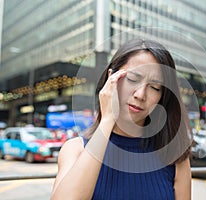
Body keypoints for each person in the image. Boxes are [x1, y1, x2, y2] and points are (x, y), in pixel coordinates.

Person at [51, 39, 192, 200]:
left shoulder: (174, 155)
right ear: (111, 78)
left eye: (155, 87)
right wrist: (107, 120)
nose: (140, 94)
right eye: (132, 79)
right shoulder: (75, 149)